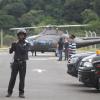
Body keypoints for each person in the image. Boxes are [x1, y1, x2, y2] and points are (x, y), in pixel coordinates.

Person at [6, 29, 29, 98]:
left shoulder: (27, 43)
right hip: (15, 63)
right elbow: (10, 52)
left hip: (23, 63)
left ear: (25, 36)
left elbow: (24, 51)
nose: (21, 36)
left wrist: (17, 44)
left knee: (22, 79)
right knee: (12, 78)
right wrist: (12, 46)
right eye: (20, 35)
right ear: (18, 36)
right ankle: (9, 92)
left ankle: (21, 93)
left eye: (22, 35)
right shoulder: (15, 43)